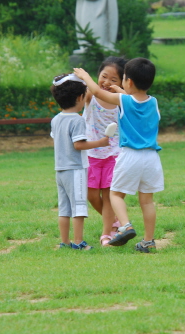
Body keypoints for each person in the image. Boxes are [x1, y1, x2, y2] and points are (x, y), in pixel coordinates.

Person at [74, 58, 164, 253]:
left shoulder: (124, 101)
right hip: (152, 158)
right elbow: (136, 101)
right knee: (147, 201)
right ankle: (148, 241)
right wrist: (122, 92)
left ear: (128, 82)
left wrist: (85, 76)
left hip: (130, 155)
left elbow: (97, 92)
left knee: (115, 195)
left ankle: (125, 225)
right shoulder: (154, 102)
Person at [50, 73, 110, 250]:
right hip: (75, 169)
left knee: (64, 209)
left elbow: (57, 140)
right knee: (79, 208)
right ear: (79, 97)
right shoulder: (77, 120)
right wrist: (100, 142)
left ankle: (64, 242)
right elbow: (78, 145)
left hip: (60, 170)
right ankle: (78, 242)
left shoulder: (56, 119)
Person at [82, 56, 127, 247]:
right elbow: (93, 89)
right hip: (91, 153)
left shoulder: (122, 101)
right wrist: (84, 78)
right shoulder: (90, 95)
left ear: (123, 82)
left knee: (108, 196)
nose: (107, 82)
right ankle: (115, 222)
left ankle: (106, 233)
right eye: (103, 76)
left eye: (113, 80)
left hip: (113, 154)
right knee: (91, 195)